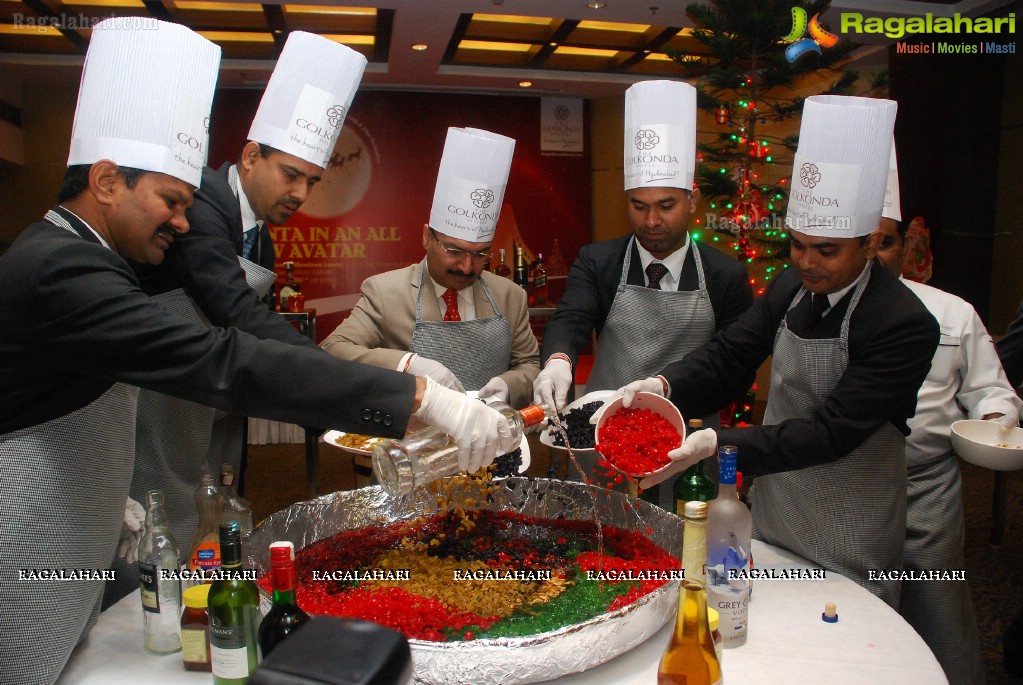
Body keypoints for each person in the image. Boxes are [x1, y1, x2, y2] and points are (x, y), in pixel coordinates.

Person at [0, 21, 515, 685]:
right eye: (171, 201)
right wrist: (414, 391)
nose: (184, 224)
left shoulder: (82, 256)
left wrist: (111, 494)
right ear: (105, 180)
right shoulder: (59, 269)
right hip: (28, 533)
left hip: (83, 514)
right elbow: (225, 356)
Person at [621, 96, 939, 609]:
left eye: (826, 250)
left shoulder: (902, 322)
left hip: (851, 510)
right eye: (796, 244)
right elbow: (732, 353)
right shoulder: (794, 285)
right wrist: (663, 386)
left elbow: (831, 432)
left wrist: (713, 442)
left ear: (870, 241)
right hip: (780, 500)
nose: (806, 262)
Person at [107, 32, 367, 607]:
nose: (300, 193)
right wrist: (331, 379)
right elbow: (235, 310)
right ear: (251, 156)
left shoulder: (262, 239)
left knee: (197, 513)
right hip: (149, 397)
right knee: (146, 528)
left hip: (200, 401)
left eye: (312, 182)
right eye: (290, 174)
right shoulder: (203, 203)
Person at [533, 80, 752, 504]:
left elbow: (736, 366)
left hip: (685, 446)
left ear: (694, 201)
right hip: (603, 442)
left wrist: (670, 401)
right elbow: (572, 317)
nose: (651, 220)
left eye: (666, 205)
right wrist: (558, 360)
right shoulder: (599, 261)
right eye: (638, 205)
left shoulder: (725, 274)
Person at [875, 144, 1019, 684]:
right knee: (846, 612)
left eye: (884, 243)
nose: (872, 257)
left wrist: (998, 421)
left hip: (925, 492)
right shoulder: (813, 311)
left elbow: (992, 391)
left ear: (902, 245)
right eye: (858, 244)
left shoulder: (952, 314)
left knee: (938, 612)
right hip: (840, 490)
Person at [322, 127, 539, 408]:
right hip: (411, 442)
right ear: (427, 237)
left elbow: (530, 365)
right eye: (453, 250)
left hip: (491, 439)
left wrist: (508, 386)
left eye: (480, 254)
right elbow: (333, 350)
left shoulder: (509, 295)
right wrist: (407, 364)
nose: (466, 267)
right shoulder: (386, 292)